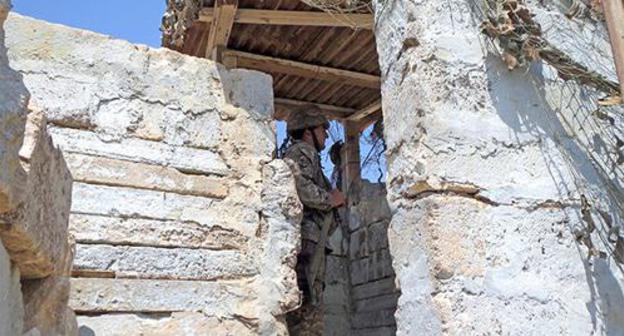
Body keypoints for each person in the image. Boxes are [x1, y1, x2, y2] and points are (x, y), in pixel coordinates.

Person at [282, 105, 345, 336]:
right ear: (308, 131)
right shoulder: (302, 151)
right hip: (308, 242)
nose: (327, 135)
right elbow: (303, 188)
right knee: (307, 305)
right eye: (322, 129)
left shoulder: (309, 156)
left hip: (312, 241)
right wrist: (331, 199)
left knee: (311, 302)